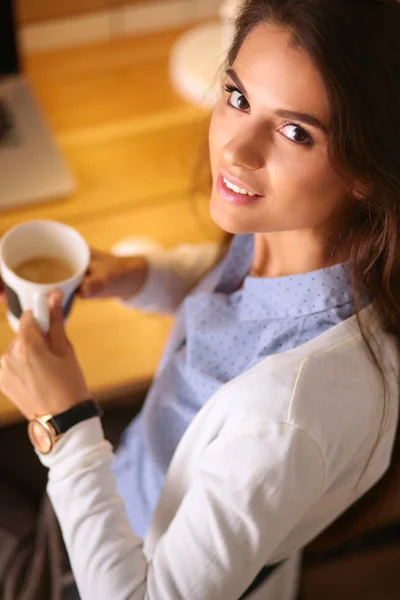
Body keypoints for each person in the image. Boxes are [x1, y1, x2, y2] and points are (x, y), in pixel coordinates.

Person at [0, 0, 400, 598]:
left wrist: (64, 426)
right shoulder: (289, 238)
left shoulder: (288, 421)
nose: (237, 150)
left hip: (111, 555)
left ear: (369, 167)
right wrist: (143, 276)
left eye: (296, 132)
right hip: (119, 477)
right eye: (238, 97)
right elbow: (237, 301)